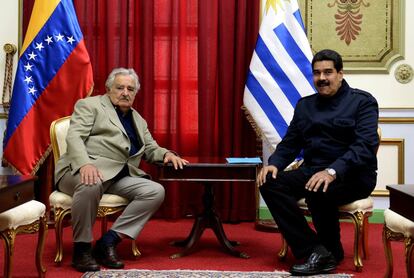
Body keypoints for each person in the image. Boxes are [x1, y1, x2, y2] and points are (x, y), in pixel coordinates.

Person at [257, 49, 379, 276]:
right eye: (316, 73)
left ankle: (330, 250)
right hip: (313, 170)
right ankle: (316, 249)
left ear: (340, 74)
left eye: (328, 72)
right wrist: (275, 163)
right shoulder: (305, 105)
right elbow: (290, 143)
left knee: (319, 189)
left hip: (353, 174)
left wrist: (333, 171)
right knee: (270, 182)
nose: (321, 78)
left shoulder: (363, 102)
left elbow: (364, 147)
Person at [54, 67, 189, 272]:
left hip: (117, 175)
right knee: (91, 183)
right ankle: (82, 250)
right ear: (109, 89)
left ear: (135, 93)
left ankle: (108, 242)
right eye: (120, 87)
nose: (125, 92)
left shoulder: (138, 120)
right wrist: (85, 164)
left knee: (154, 191)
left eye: (130, 89)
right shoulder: (90, 105)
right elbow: (74, 137)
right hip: (79, 170)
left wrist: (167, 154)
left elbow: (150, 148)